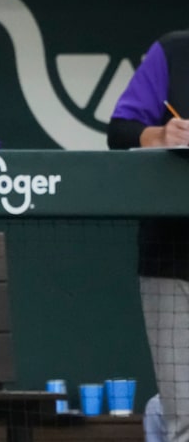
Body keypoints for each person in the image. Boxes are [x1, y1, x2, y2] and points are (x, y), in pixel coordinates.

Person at [108, 29, 189, 442]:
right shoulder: (174, 51)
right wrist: (160, 135)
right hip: (173, 257)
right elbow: (120, 130)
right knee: (184, 419)